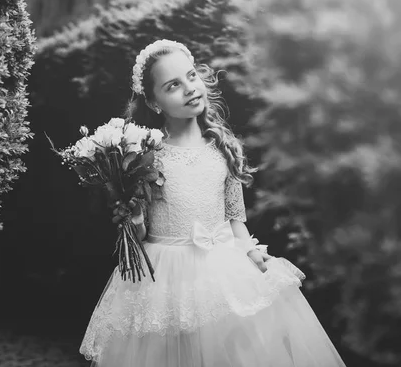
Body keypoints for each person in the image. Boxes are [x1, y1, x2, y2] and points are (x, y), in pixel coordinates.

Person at [79, 39, 347, 367]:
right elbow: (139, 234)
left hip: (223, 273)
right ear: (154, 101)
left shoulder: (223, 149)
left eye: (191, 76)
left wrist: (250, 251)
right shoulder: (145, 155)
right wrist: (133, 219)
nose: (189, 88)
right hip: (163, 279)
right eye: (173, 85)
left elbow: (236, 218)